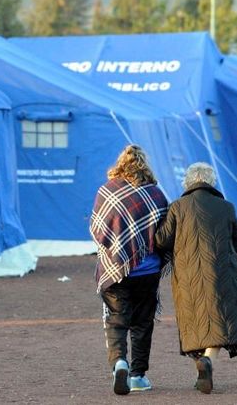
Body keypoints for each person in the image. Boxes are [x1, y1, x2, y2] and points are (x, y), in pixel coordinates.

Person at [155, 162, 237, 394]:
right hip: (221, 270)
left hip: (187, 274)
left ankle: (203, 366)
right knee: (219, 319)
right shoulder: (226, 207)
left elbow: (161, 240)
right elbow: (236, 241)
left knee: (195, 318)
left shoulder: (177, 207)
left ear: (188, 182)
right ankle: (207, 362)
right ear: (210, 182)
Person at [89, 145, 169, 395]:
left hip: (115, 269)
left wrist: (115, 252)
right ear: (145, 165)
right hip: (148, 271)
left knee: (116, 319)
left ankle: (118, 363)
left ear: (120, 163)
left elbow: (97, 229)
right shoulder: (155, 194)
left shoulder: (106, 191)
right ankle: (138, 376)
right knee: (143, 322)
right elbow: (164, 233)